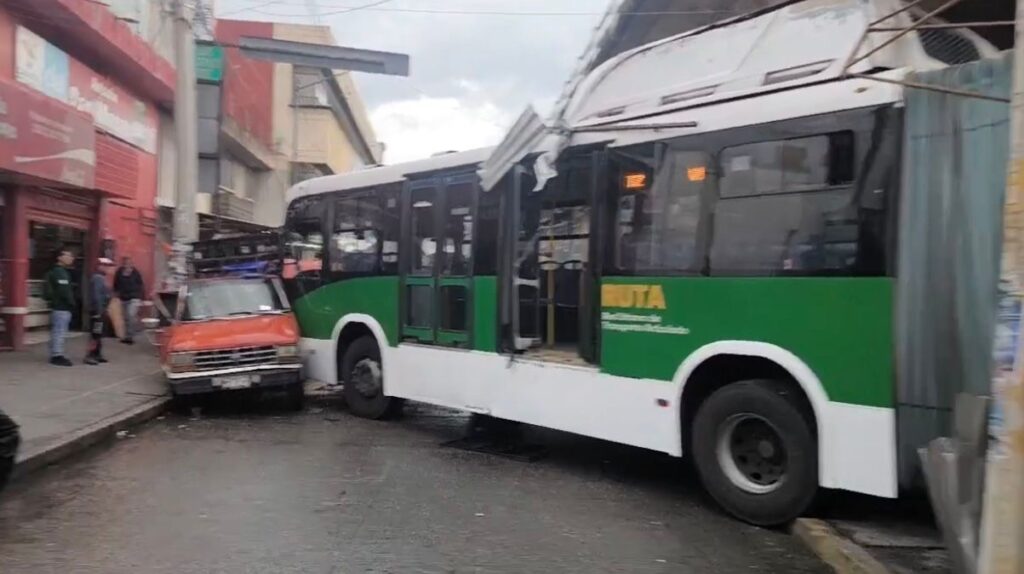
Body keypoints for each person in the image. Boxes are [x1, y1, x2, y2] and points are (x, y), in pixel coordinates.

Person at [43, 248, 76, 367]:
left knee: (58, 330)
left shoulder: (59, 271)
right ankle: (57, 355)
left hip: (58, 306)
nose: (71, 258)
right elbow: (64, 291)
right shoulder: (59, 272)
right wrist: (71, 303)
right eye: (68, 255)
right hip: (61, 306)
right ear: (59, 257)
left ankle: (56, 352)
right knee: (60, 331)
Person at [85, 258, 115, 366]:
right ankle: (90, 355)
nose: (108, 268)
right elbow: (96, 296)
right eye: (106, 266)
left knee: (98, 333)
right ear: (100, 266)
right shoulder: (98, 278)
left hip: (101, 310)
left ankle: (97, 354)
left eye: (109, 266)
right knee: (95, 334)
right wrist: (98, 311)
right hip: (97, 311)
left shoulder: (101, 278)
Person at [113, 256, 144, 345]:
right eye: (125, 263)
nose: (127, 265)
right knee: (126, 317)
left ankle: (131, 336)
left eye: (129, 263)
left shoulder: (135, 272)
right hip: (123, 298)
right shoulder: (119, 272)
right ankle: (127, 336)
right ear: (123, 264)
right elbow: (116, 283)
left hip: (134, 298)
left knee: (131, 315)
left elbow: (141, 285)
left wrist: (142, 298)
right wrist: (116, 294)